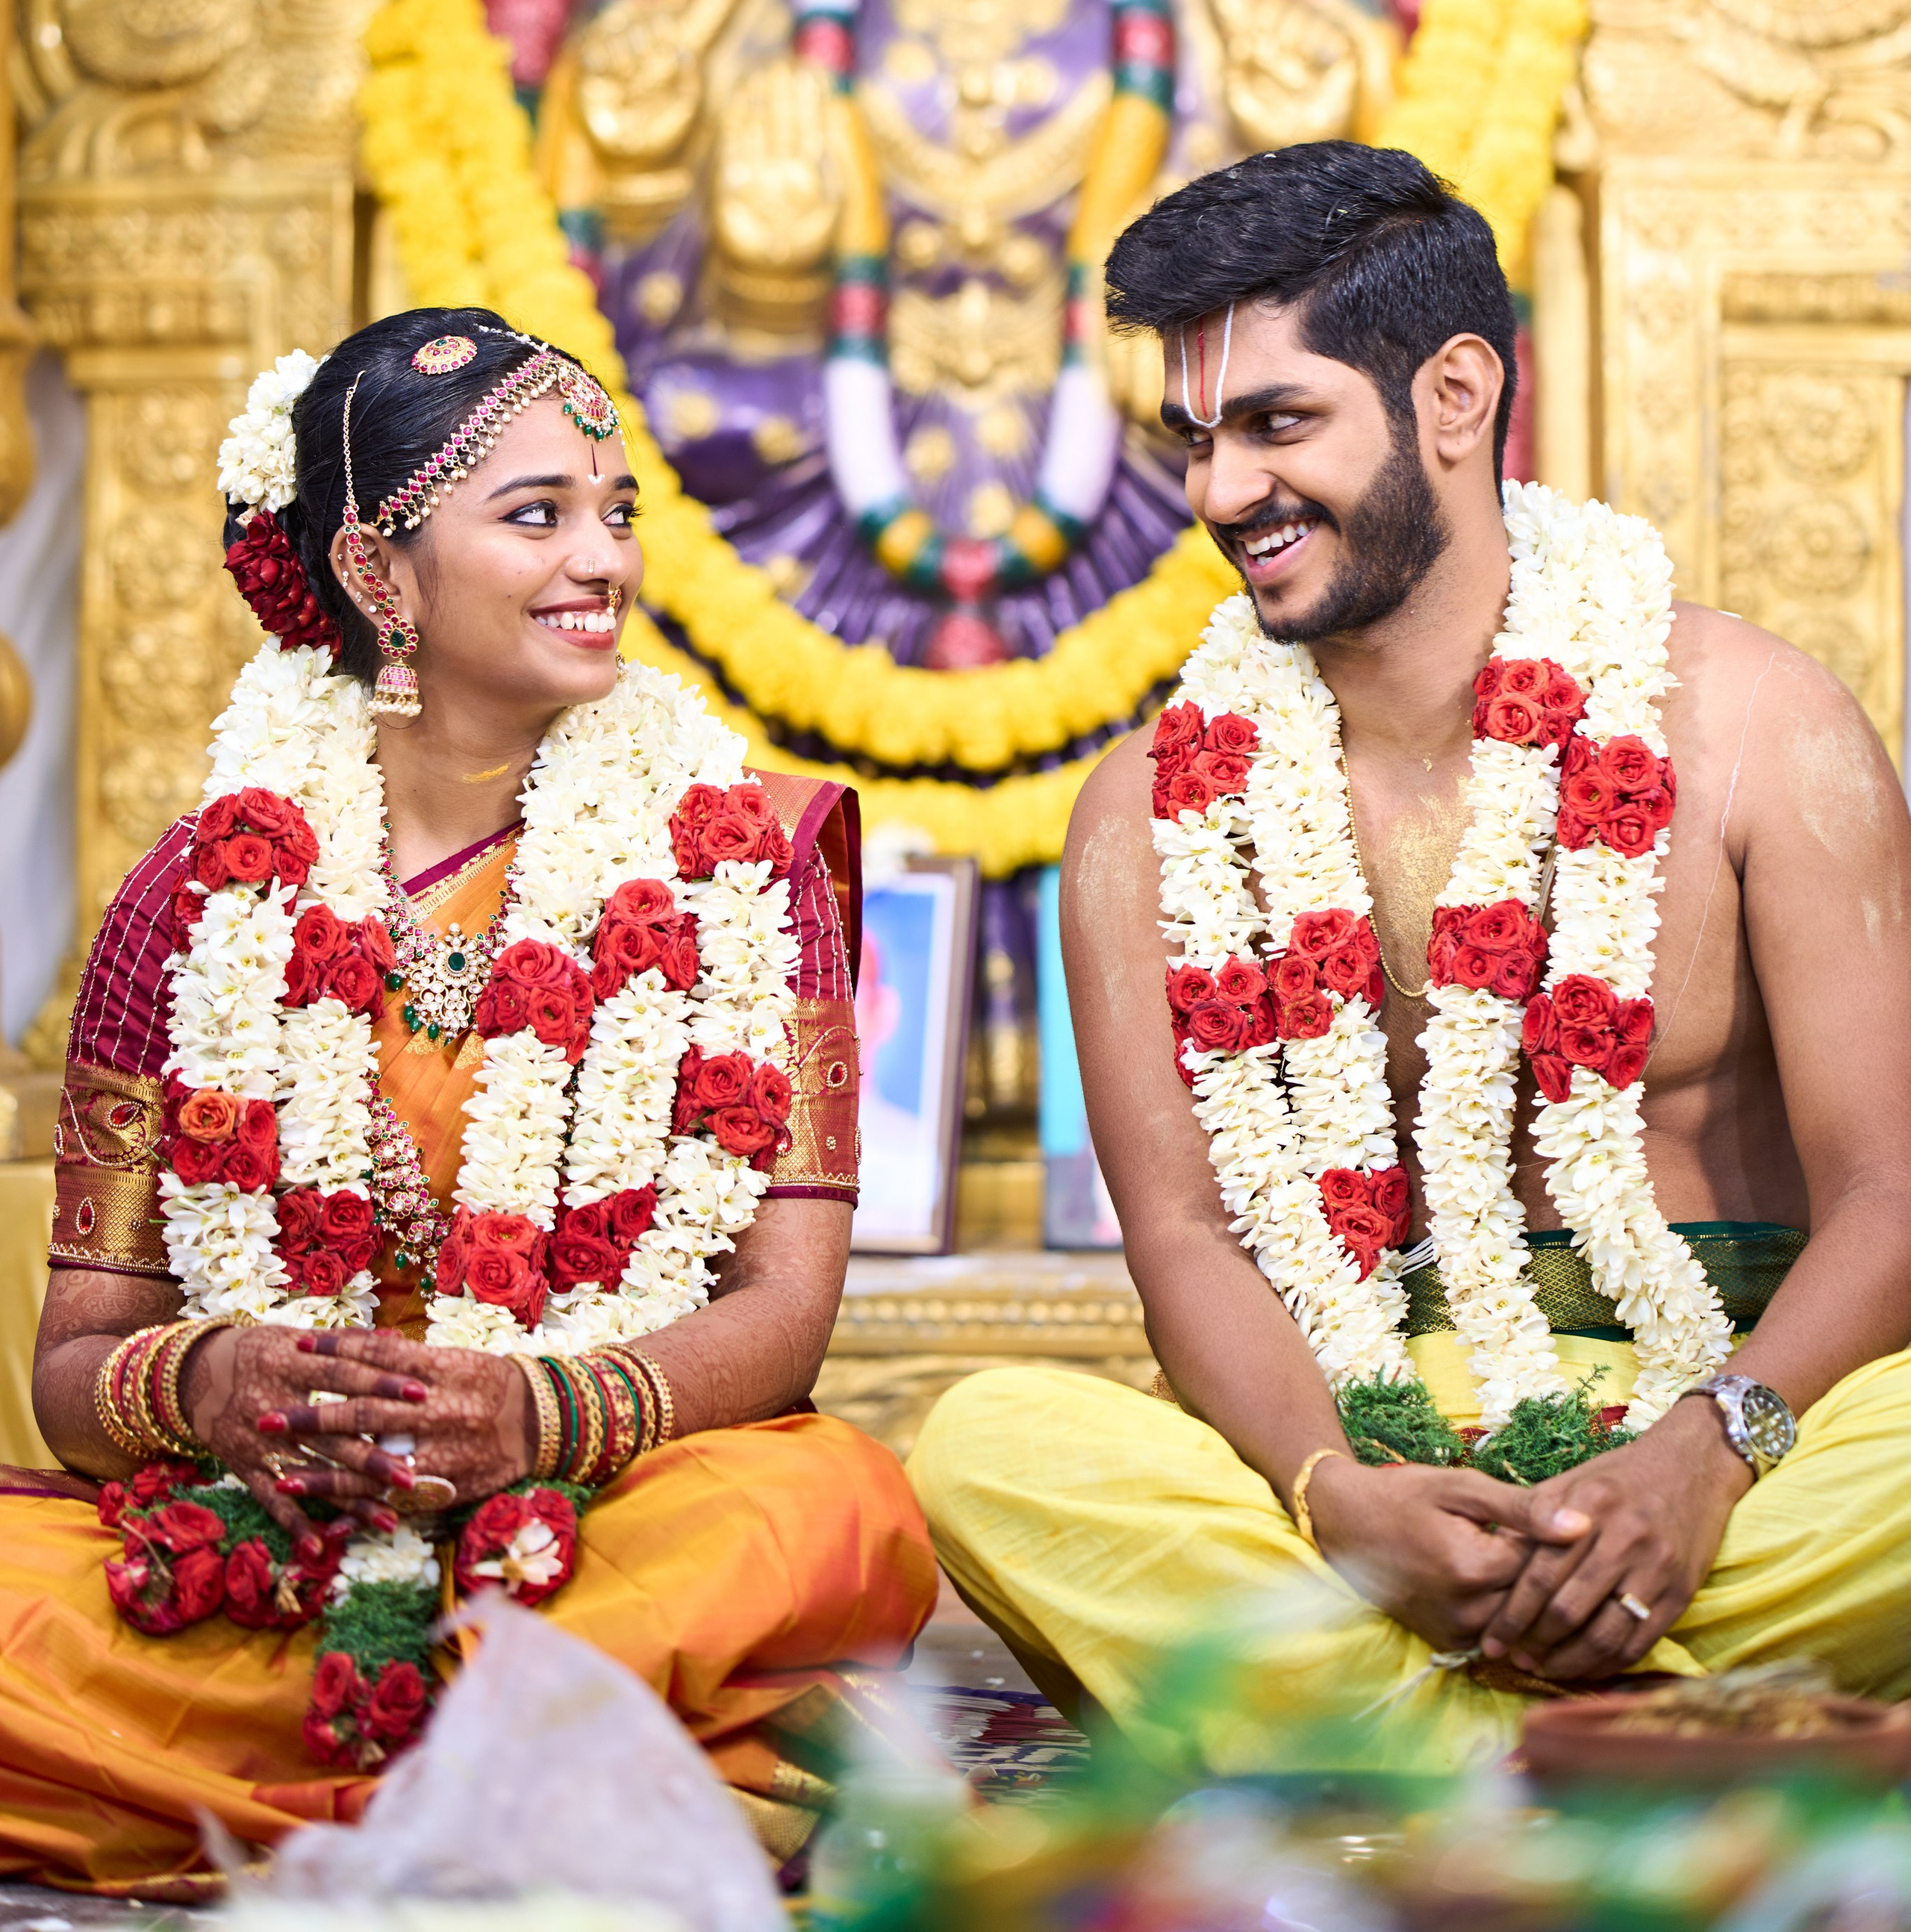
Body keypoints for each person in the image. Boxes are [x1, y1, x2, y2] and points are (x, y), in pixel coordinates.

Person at [908, 141, 1911, 1769]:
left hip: (1738, 1433)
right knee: (986, 1449)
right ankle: (1657, 1743)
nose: (1216, 494)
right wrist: (1334, 1500)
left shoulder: (1747, 726)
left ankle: (1399, 1745)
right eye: (1196, 439)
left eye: (1274, 423)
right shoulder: (1148, 811)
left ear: (1452, 397)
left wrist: (1699, 1460)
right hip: (1367, 1459)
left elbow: (1890, 1193)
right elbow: (1180, 1237)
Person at [0, 308, 935, 1892]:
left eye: (615, 511)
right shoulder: (190, 900)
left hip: (617, 1504)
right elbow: (76, 1368)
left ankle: (325, 1785)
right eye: (537, 516)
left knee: (821, 1516)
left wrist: (535, 1415)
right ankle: (537, 1772)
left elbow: (786, 1311)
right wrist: (216, 1383)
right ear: (378, 574)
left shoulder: (745, 865)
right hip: (274, 1525)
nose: (606, 563)